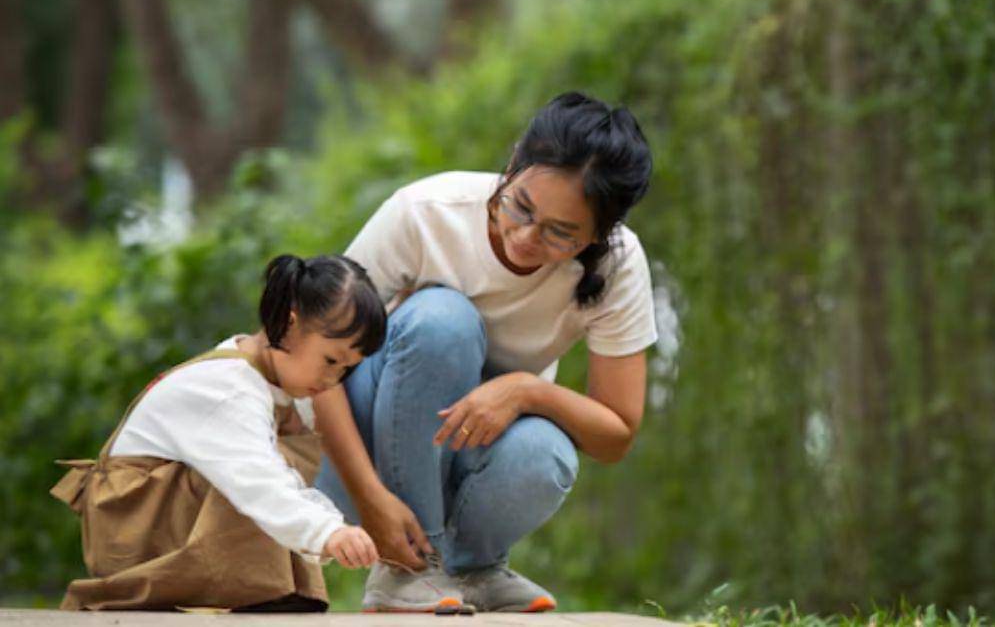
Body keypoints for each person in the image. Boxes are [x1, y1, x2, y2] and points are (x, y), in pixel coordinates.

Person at [312, 91, 658, 613]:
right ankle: (409, 569)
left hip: (460, 453)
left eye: (560, 234)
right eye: (520, 206)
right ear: (512, 164)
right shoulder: (425, 213)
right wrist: (370, 496)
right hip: (356, 450)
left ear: (599, 236)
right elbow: (312, 361)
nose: (525, 237)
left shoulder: (619, 266)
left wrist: (524, 391)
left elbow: (615, 434)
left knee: (547, 451)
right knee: (443, 321)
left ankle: (473, 568)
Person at [51, 254, 403, 612]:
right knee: (255, 476)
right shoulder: (230, 390)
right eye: (330, 360)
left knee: (281, 458)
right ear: (288, 324)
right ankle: (259, 596)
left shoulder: (263, 378)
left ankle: (272, 593)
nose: (332, 380)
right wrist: (328, 532)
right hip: (134, 532)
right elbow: (259, 483)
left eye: (345, 370)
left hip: (160, 522)